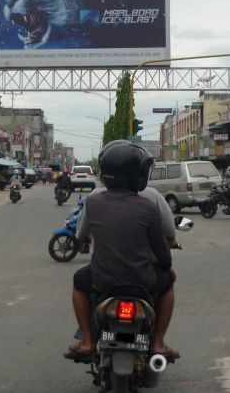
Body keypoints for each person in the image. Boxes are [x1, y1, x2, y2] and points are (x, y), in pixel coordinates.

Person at [65, 141, 178, 361]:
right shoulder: (148, 206)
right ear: (135, 175)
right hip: (142, 281)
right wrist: (167, 268)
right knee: (168, 283)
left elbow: (81, 237)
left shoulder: (93, 202)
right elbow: (162, 252)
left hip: (102, 280)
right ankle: (158, 343)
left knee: (79, 281)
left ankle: (87, 341)